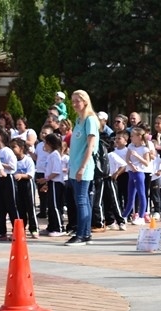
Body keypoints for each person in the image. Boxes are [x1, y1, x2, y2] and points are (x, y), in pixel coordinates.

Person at [65, 90, 98, 245]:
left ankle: (81, 234)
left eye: (78, 100)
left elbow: (90, 146)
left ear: (85, 101)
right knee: (83, 200)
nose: (75, 104)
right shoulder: (79, 120)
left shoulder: (90, 120)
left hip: (83, 167)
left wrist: (82, 167)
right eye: (73, 101)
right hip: (75, 165)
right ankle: (86, 233)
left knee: (81, 200)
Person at [0, 126, 17, 241]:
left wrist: (0, 163)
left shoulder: (7, 151)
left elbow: (13, 167)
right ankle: (2, 231)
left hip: (7, 178)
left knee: (11, 205)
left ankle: (17, 230)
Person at [9, 138, 39, 238]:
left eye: (14, 147)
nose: (12, 149)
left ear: (21, 148)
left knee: (30, 207)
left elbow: (30, 174)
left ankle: (34, 229)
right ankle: (21, 229)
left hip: (27, 185)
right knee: (20, 208)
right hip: (17, 186)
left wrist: (21, 176)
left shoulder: (28, 160)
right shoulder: (12, 160)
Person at [123, 126, 152, 225]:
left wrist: (137, 156)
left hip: (139, 173)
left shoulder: (145, 149)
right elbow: (127, 159)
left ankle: (141, 216)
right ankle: (124, 216)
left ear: (139, 137)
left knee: (141, 194)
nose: (131, 138)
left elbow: (147, 163)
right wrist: (131, 166)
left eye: (132, 136)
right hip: (131, 172)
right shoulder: (131, 146)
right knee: (130, 196)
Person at [41, 133, 65, 237]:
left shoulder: (55, 155)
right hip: (51, 182)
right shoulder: (50, 155)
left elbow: (56, 171)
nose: (44, 145)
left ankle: (59, 228)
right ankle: (51, 226)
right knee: (50, 206)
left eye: (45, 143)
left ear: (50, 144)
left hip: (56, 183)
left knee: (55, 206)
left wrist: (46, 179)